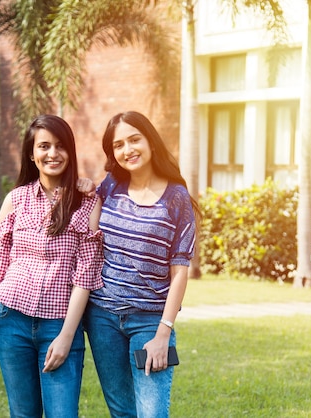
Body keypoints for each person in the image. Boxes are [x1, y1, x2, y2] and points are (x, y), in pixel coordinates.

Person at [84, 111, 199, 418]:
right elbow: (90, 236)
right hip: (102, 317)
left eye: (134, 139)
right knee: (122, 412)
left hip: (150, 321)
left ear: (150, 141)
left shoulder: (176, 197)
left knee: (151, 414)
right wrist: (84, 189)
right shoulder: (109, 187)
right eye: (118, 145)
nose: (128, 150)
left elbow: (180, 271)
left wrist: (164, 333)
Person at [0, 114, 104, 418]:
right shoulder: (16, 199)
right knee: (23, 414)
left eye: (60, 146)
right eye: (44, 146)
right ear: (32, 154)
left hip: (60, 324)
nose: (52, 154)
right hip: (11, 323)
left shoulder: (87, 203)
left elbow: (86, 276)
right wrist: (6, 295)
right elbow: (1, 255)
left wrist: (66, 336)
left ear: (71, 152)